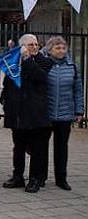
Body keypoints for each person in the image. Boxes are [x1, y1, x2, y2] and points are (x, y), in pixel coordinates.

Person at [1, 34, 52, 193]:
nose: (35, 47)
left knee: (37, 148)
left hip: (36, 112)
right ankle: (18, 176)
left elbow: (40, 76)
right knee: (19, 146)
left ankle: (35, 178)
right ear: (22, 46)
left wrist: (28, 59)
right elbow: (8, 83)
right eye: (30, 45)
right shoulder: (14, 62)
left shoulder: (44, 61)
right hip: (18, 112)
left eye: (36, 44)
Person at [44, 36, 83, 191]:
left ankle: (61, 178)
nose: (61, 51)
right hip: (46, 112)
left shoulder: (72, 66)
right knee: (41, 147)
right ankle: (41, 176)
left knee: (61, 147)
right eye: (57, 48)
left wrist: (79, 109)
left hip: (66, 112)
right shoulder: (44, 64)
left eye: (63, 48)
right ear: (50, 50)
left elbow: (78, 89)